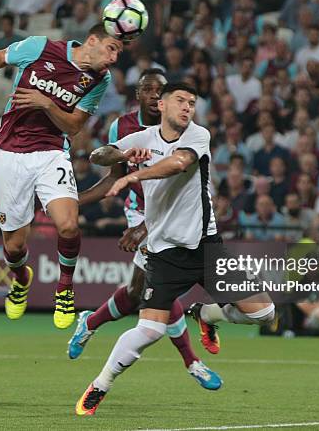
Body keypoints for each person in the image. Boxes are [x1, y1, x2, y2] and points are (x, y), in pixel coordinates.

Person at [74, 83, 274, 415]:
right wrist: (123, 156)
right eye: (180, 101)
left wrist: (133, 177)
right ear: (162, 104)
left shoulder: (198, 136)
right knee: (149, 331)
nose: (187, 107)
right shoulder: (143, 138)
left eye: (192, 102)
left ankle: (204, 313)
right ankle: (99, 385)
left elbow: (178, 164)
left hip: (207, 248)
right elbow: (99, 155)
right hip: (165, 254)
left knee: (264, 314)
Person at [0, 23, 123, 328]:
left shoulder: (99, 79)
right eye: (111, 49)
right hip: (10, 152)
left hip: (51, 151)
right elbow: (1, 56)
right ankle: (21, 280)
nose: (114, 58)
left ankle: (64, 288)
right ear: (92, 40)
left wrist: (46, 103)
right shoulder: (41, 47)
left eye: (118, 51)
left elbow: (74, 126)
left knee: (68, 225)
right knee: (13, 248)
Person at [68, 71, 219, 391]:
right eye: (147, 89)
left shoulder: (189, 133)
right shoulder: (124, 127)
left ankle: (90, 322)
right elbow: (111, 172)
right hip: (140, 210)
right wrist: (76, 201)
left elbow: (179, 174)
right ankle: (192, 360)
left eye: (159, 89)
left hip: (170, 217)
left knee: (144, 292)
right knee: (157, 290)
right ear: (138, 95)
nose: (153, 94)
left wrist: (146, 228)